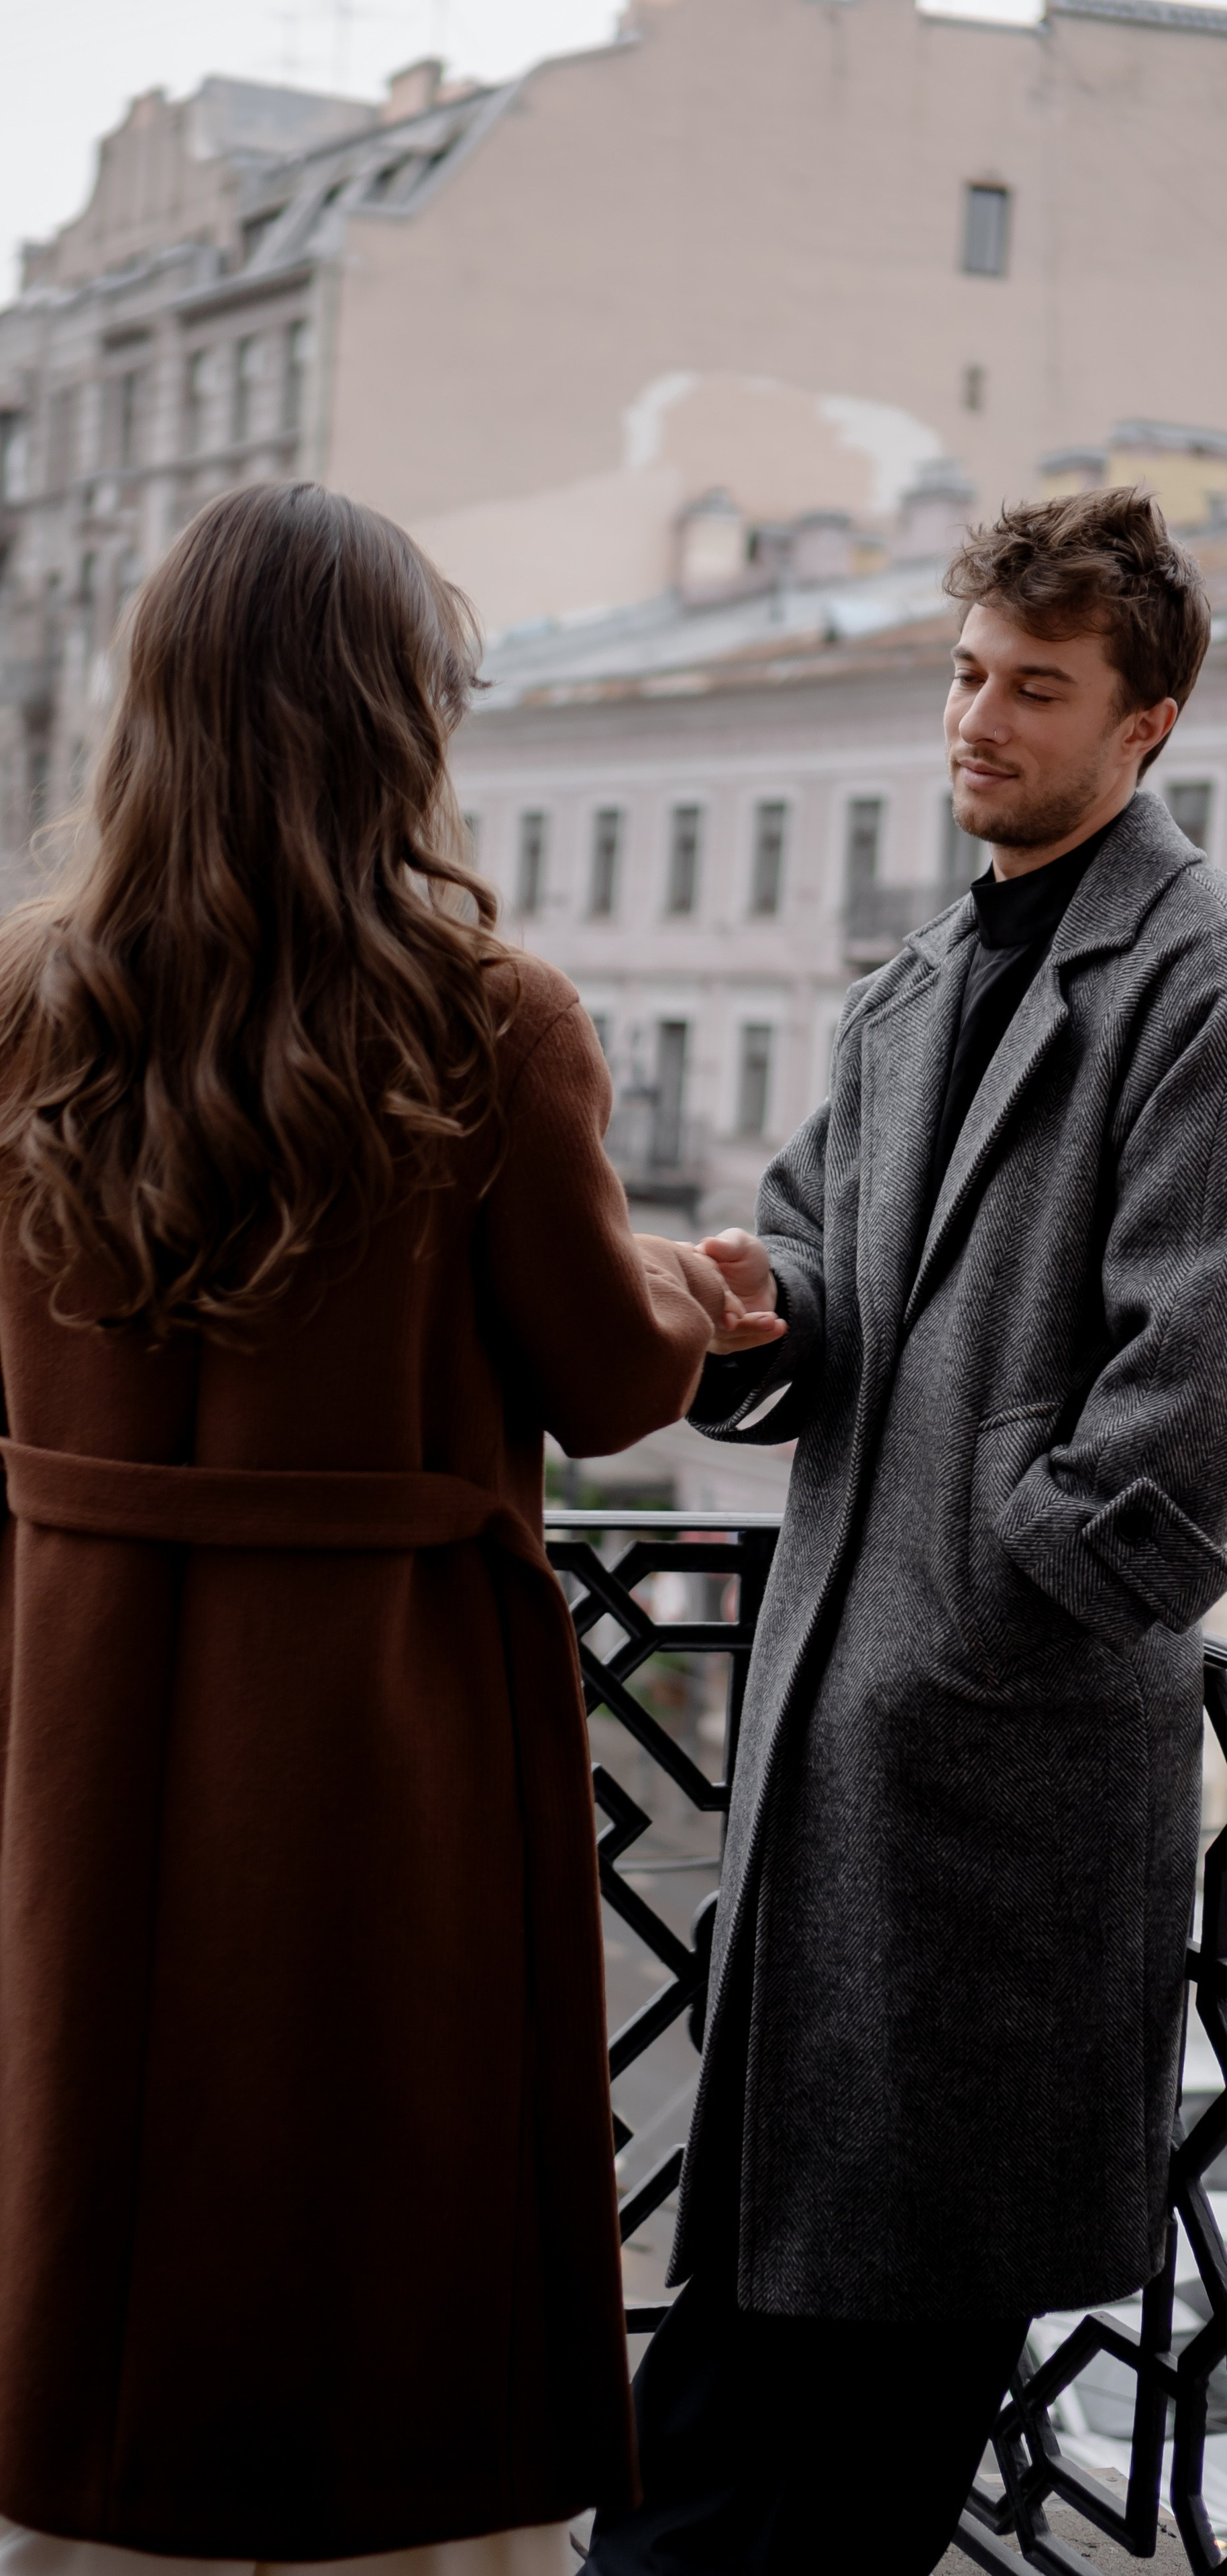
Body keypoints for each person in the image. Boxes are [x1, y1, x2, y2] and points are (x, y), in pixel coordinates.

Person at [0, 482, 734, 2576]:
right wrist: (694, 1300)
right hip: (375, 1744)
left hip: (75, 1722)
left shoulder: (16, 1013)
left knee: (82, 2188)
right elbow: (611, 1384)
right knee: (368, 2215)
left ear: (151, 711)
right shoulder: (484, 1017)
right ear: (389, 726)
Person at [588, 486, 1222, 2576]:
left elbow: (1203, 1380)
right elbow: (813, 1255)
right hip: (827, 1764)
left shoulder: (1197, 987)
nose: (980, 721)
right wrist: (752, 1311)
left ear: (1145, 731)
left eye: (1039, 689)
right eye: (967, 676)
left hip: (1001, 1768)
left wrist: (1002, 1597)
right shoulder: (912, 981)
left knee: (882, 2396)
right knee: (745, 2344)